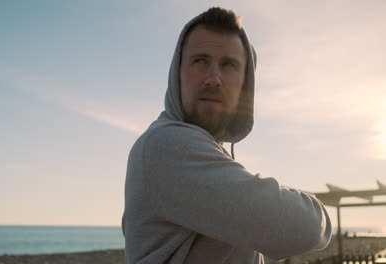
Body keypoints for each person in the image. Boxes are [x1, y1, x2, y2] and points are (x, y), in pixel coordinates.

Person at [122, 7, 332, 264]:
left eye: (228, 65)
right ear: (177, 73)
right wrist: (313, 207)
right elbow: (305, 227)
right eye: (200, 61)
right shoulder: (167, 144)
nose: (213, 78)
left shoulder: (202, 150)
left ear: (245, 84)